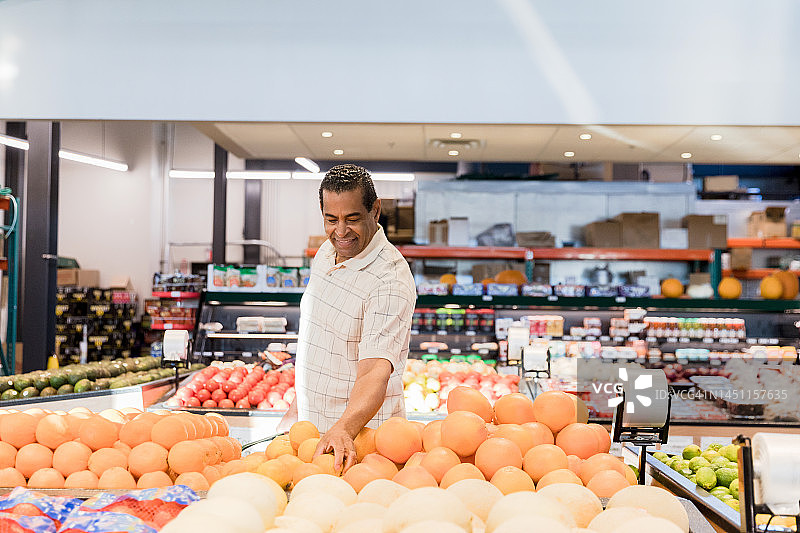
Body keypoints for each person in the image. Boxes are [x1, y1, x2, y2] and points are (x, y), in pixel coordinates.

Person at [278, 164, 417, 472]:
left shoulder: (389, 282)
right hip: (313, 434)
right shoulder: (326, 254)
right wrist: (299, 407)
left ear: (375, 210)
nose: (340, 232)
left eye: (352, 219)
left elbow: (374, 373)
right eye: (331, 219)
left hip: (361, 444)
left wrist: (344, 429)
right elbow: (320, 341)